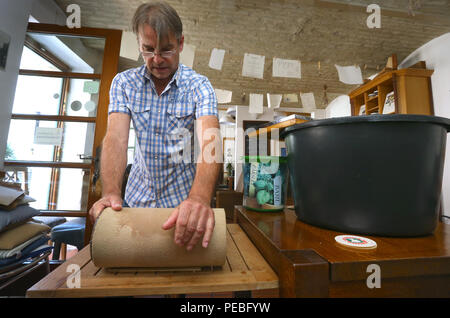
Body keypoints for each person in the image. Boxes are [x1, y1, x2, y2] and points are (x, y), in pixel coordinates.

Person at [89, 1, 221, 251]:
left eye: (167, 49)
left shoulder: (199, 86)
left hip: (183, 205)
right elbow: (116, 138)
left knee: (179, 276)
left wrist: (200, 198)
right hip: (135, 200)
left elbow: (210, 141)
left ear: (180, 43)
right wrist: (111, 192)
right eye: (148, 50)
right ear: (139, 44)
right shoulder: (124, 83)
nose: (157, 59)